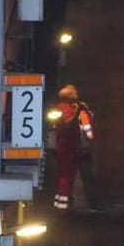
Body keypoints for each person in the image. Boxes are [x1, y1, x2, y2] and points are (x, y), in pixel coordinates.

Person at [50, 84, 94, 212]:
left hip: (60, 147)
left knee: (62, 176)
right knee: (71, 176)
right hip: (74, 147)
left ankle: (59, 204)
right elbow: (87, 127)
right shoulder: (80, 109)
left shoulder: (57, 109)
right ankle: (66, 206)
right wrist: (90, 138)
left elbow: (53, 126)